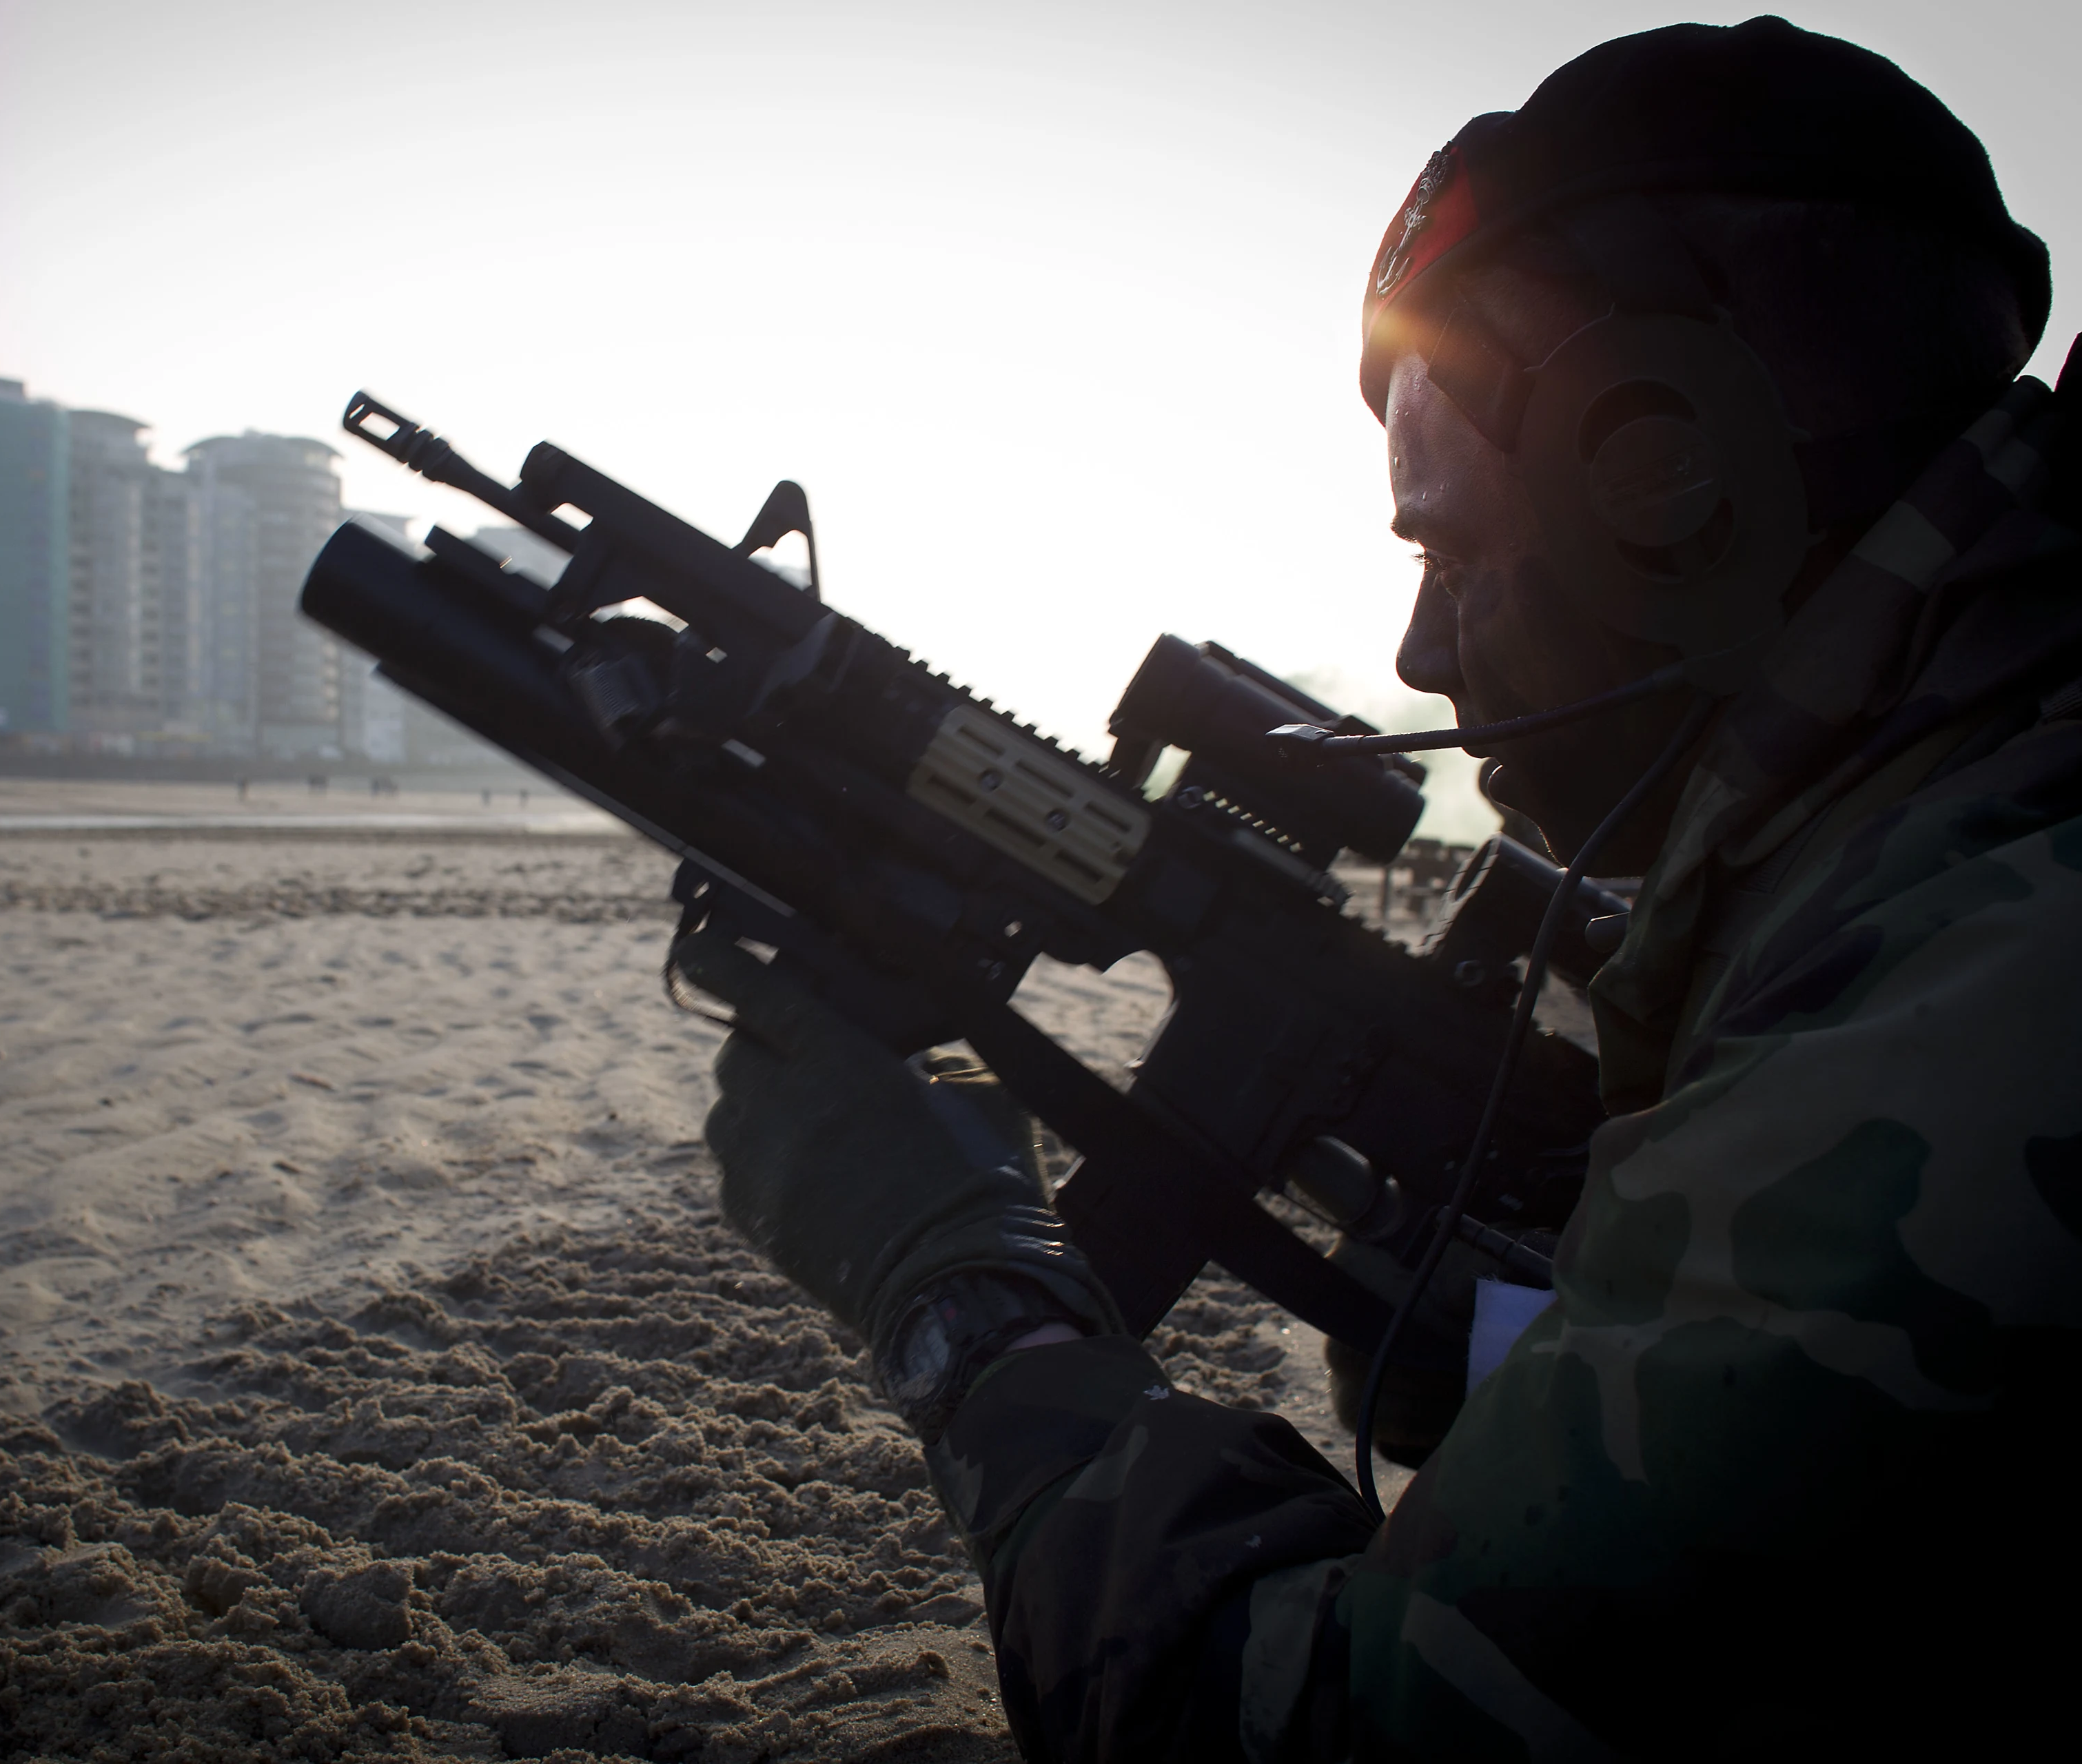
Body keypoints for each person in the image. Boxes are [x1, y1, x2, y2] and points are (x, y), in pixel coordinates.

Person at [680, 18, 2079, 1758]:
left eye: (1450, 545)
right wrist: (1537, 1343)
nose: (1419, 646)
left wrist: (954, 1279)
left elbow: (1321, 1728)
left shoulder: (1979, 973)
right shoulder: (1935, 823)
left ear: (1672, 493)